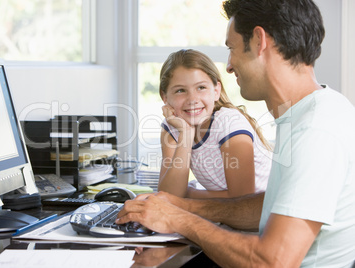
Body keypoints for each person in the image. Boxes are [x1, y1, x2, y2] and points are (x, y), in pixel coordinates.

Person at [117, 0, 355, 266]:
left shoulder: (315, 130)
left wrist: (178, 218)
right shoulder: (316, 110)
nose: (229, 66)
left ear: (258, 40)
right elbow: (270, 208)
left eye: (231, 49)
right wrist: (175, 206)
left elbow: (271, 261)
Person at [158, 49, 271, 199]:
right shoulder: (174, 126)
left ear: (216, 91)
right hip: (228, 215)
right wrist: (186, 134)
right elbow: (168, 196)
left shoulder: (228, 123)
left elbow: (243, 200)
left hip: (264, 213)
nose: (192, 99)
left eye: (201, 88)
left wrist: (190, 193)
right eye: (180, 90)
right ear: (164, 97)